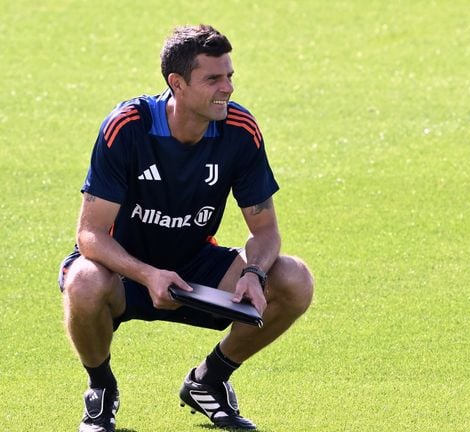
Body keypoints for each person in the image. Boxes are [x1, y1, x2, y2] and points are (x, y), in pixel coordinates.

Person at [57, 24, 314, 432]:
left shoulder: (239, 130)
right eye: (213, 78)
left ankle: (209, 380)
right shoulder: (127, 127)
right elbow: (89, 234)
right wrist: (147, 274)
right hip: (123, 270)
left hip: (193, 266)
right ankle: (101, 389)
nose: (227, 88)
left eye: (229, 75)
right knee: (83, 281)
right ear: (176, 83)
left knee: (294, 279)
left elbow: (265, 232)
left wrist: (253, 272)